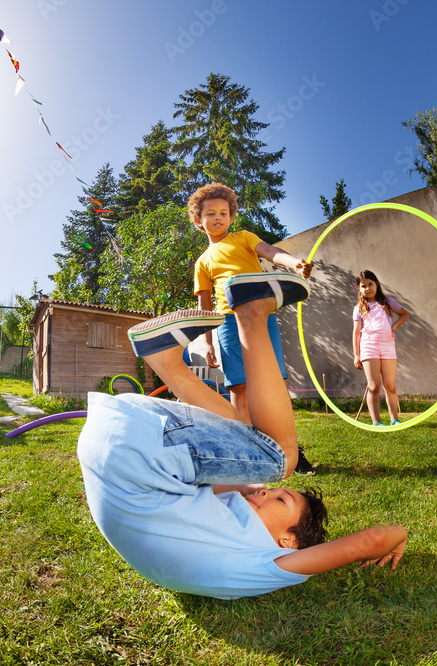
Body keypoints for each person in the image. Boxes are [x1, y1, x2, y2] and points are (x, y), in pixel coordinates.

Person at [77, 273, 408, 600]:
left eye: (280, 499)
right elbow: (228, 479)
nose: (265, 492)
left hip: (137, 454)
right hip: (112, 441)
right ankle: (165, 359)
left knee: (279, 458)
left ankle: (252, 312)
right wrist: (253, 485)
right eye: (274, 495)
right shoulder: (223, 534)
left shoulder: (273, 562)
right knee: (254, 451)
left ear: (288, 541)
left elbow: (373, 540)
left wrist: (401, 534)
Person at [191, 181, 317, 473]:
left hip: (261, 317)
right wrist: (207, 343)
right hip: (228, 323)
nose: (218, 217)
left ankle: (290, 450)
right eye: (210, 213)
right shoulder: (202, 262)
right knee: (240, 386)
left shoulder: (243, 238)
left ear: (232, 217)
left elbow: (270, 251)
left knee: (275, 381)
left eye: (224, 212)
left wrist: (293, 264)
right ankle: (249, 450)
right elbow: (205, 307)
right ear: (199, 221)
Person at [352, 270, 410, 426]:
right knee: (374, 385)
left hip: (387, 346)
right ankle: (376, 422)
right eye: (363, 286)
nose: (368, 288)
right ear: (359, 288)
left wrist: (393, 327)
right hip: (369, 346)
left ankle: (394, 419)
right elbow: (357, 332)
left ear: (376, 284)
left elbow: (404, 314)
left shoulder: (388, 302)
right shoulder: (358, 308)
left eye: (370, 284)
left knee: (390, 385)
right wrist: (356, 355)